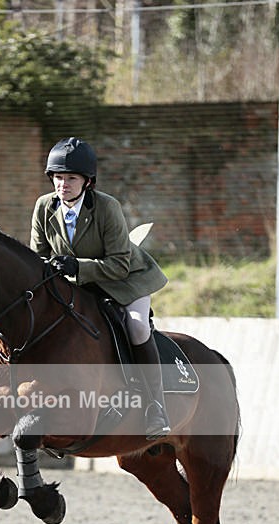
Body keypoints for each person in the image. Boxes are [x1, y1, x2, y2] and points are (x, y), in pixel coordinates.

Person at [30, 136, 171, 440]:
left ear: (87, 182)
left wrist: (77, 266)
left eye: (70, 178)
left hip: (124, 280)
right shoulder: (44, 206)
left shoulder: (107, 207)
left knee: (136, 328)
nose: (62, 185)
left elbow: (119, 263)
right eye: (57, 177)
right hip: (75, 285)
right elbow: (38, 255)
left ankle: (154, 407)